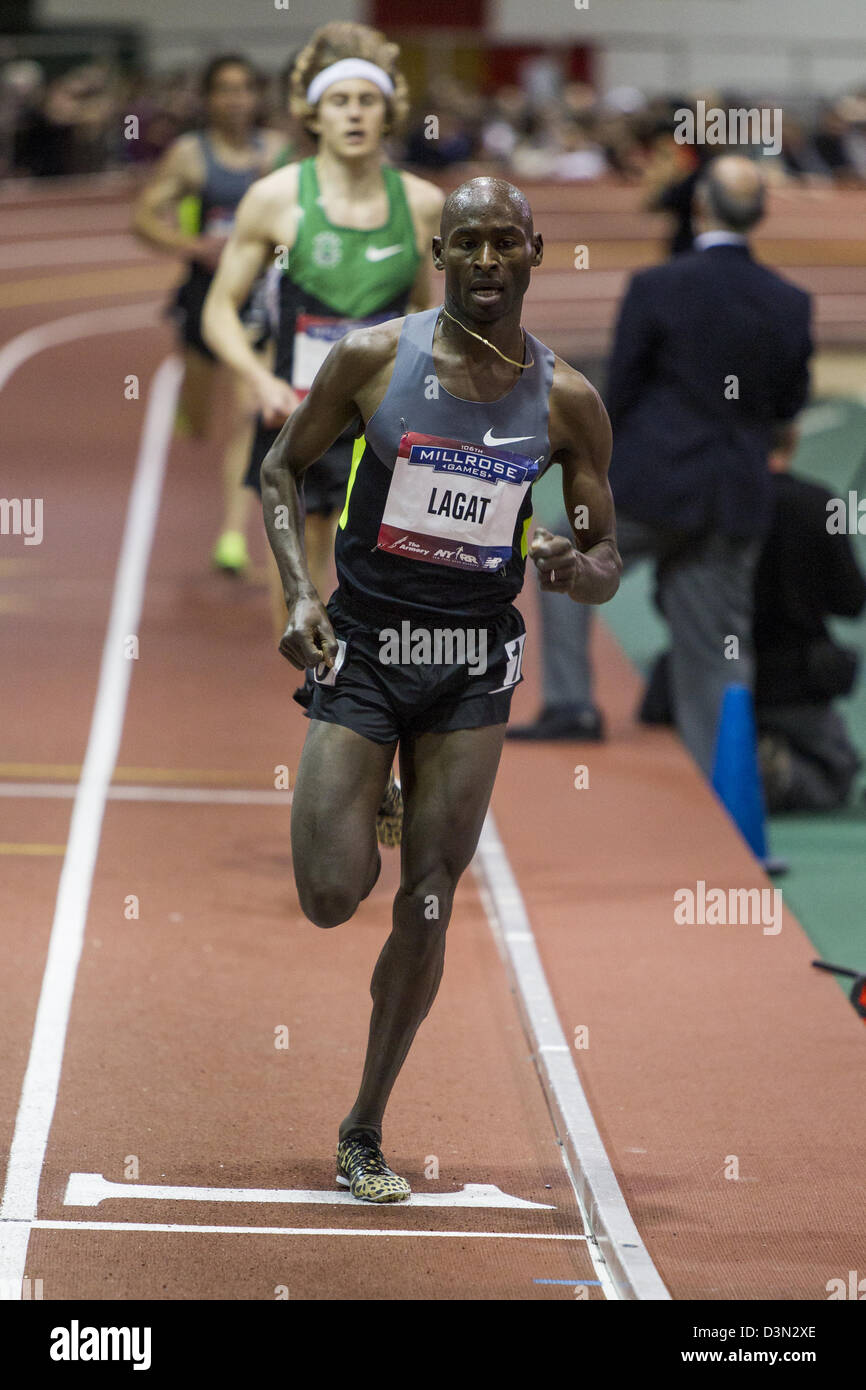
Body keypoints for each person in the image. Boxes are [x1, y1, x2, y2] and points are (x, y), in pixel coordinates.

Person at [258, 176, 621, 1202]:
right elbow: (282, 474)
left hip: (470, 662)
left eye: (505, 242)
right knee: (331, 896)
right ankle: (371, 782)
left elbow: (605, 561)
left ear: (533, 253)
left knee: (426, 898)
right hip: (366, 644)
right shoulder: (376, 358)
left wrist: (570, 564)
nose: (487, 261)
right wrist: (296, 593)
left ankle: (364, 1126)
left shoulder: (566, 401)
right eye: (467, 242)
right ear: (441, 255)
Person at [509, 156, 813, 778]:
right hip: (734, 496)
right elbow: (787, 405)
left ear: (699, 207)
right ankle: (728, 792)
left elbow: (616, 393)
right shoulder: (790, 301)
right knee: (720, 654)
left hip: (653, 487)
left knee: (561, 550)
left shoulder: (657, 286)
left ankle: (572, 704)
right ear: (759, 215)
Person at [202, 22, 444, 630]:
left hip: (387, 417)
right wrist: (258, 381)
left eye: (368, 100)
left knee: (383, 564)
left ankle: (367, 693)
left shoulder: (420, 203)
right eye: (340, 101)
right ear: (315, 114)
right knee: (302, 568)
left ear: (388, 112)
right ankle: (312, 687)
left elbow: (427, 314)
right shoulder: (277, 198)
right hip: (300, 410)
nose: (355, 114)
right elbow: (218, 310)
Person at [641, 440, 866, 811]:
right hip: (795, 686)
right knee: (837, 775)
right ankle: (771, 770)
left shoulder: (699, 502)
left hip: (706, 683)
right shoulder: (817, 503)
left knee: (701, 750)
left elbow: (669, 602)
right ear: (792, 437)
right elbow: (851, 602)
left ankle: (723, 764)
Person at [131, 54, 285, 574]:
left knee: (249, 410)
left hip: (259, 297)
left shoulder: (277, 152)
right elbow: (143, 217)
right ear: (209, 98)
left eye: (245, 88)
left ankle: (230, 537)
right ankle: (188, 410)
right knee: (199, 424)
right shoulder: (190, 156)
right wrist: (193, 245)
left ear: (257, 96)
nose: (236, 99)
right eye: (225, 89)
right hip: (203, 294)